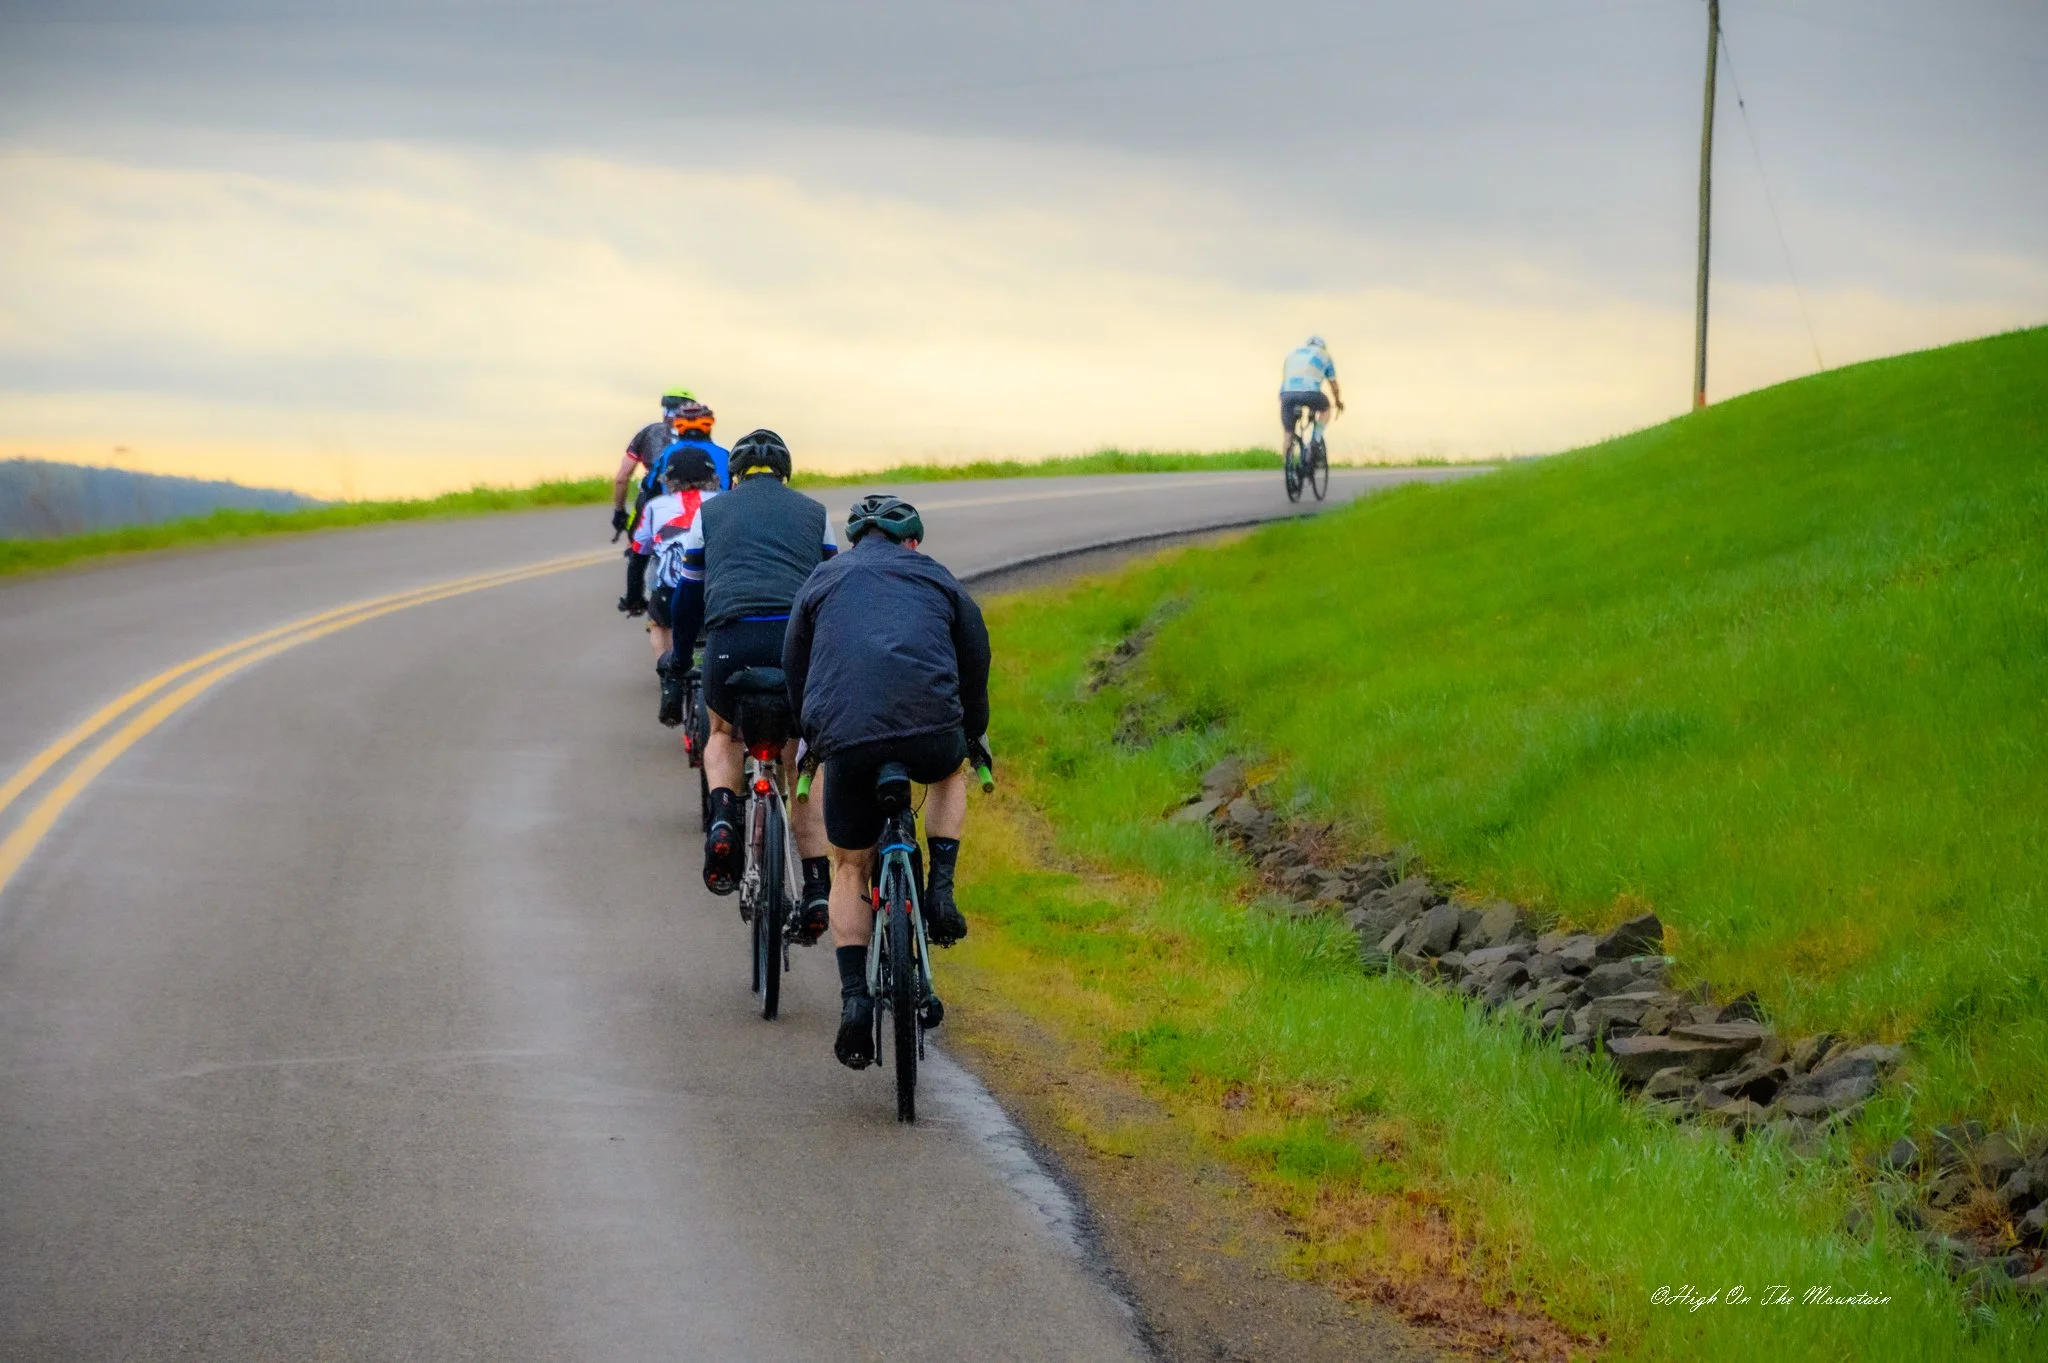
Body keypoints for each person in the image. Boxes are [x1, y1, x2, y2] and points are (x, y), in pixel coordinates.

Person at [782, 494, 992, 1070]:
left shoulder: (822, 581)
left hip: (846, 741)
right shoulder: (939, 578)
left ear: (854, 541)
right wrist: (972, 731)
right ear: (913, 542)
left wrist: (811, 735)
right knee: (950, 772)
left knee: (850, 864)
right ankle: (941, 889)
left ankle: (854, 1001)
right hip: (930, 732)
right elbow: (975, 659)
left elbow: (795, 666)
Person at [670, 429, 837, 941]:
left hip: (731, 638)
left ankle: (723, 818)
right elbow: (833, 588)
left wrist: (680, 655)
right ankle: (814, 888)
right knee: (799, 756)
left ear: (735, 473)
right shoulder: (816, 512)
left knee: (722, 733)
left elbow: (687, 595)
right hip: (794, 640)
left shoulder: (711, 513)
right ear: (785, 473)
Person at [632, 447, 721, 724]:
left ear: (669, 478)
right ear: (711, 476)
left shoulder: (655, 507)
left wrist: (633, 595)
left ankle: (670, 679)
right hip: (714, 591)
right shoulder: (724, 502)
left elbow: (639, 554)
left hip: (672, 593)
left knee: (659, 622)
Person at [1278, 335, 1344, 463]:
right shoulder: (1324, 354)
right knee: (1325, 407)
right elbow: (1334, 386)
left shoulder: (1293, 353)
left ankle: (1288, 466)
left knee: (1288, 432)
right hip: (1310, 393)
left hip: (1287, 394)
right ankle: (1316, 440)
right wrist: (1338, 402)